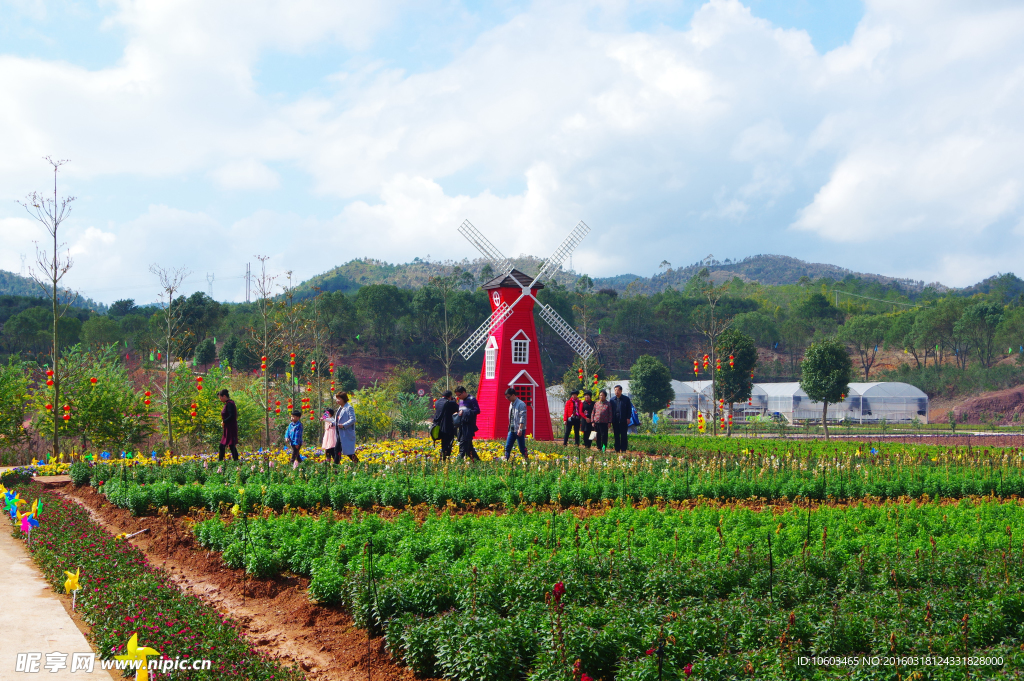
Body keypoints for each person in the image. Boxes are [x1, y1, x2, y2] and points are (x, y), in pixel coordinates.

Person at [454, 386, 481, 461]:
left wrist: (465, 412)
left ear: (464, 392)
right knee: (468, 446)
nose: (458, 397)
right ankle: (477, 461)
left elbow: (477, 410)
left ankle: (459, 461)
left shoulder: (472, 399)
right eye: (457, 395)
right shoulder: (460, 401)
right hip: (462, 425)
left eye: (459, 395)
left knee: (463, 443)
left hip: (469, 426)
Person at [503, 387, 529, 462]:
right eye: (506, 397)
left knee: (521, 448)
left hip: (518, 430)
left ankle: (527, 461)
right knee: (507, 447)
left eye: (508, 397)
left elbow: (522, 417)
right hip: (511, 429)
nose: (507, 398)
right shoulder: (511, 404)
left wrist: (520, 429)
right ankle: (506, 462)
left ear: (513, 395)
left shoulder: (521, 404)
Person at [433, 390, 459, 461]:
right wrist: (454, 402)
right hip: (448, 427)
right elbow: (458, 409)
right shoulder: (451, 403)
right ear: (450, 396)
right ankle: (444, 458)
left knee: (443, 443)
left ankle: (443, 458)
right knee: (448, 444)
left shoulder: (437, 402)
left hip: (438, 427)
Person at [609, 384, 634, 453]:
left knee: (623, 435)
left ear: (621, 391)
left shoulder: (626, 399)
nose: (616, 391)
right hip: (615, 420)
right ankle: (617, 449)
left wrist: (628, 418)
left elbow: (629, 409)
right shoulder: (612, 400)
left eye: (618, 390)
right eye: (615, 390)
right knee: (616, 435)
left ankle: (623, 449)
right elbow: (610, 410)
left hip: (623, 420)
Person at [334, 392, 358, 463]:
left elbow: (353, 419)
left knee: (339, 450)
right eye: (337, 399)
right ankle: (358, 464)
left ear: (344, 399)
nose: (337, 400)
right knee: (339, 450)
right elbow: (337, 420)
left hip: (345, 433)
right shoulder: (340, 408)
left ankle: (336, 468)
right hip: (340, 433)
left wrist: (344, 425)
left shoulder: (348, 407)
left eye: (339, 399)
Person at [217, 389, 239, 461]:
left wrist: (224, 421)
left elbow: (231, 416)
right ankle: (235, 460)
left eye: (220, 397)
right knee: (228, 445)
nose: (220, 399)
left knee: (226, 445)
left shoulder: (230, 404)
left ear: (224, 396)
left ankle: (221, 461)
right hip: (228, 427)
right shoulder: (229, 403)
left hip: (230, 428)